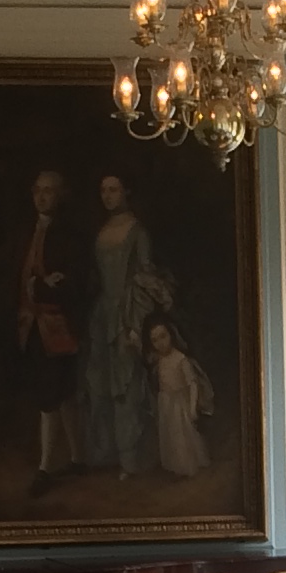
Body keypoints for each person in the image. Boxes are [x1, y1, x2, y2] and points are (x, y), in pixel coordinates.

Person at [85, 170, 170, 476]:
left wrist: (137, 324)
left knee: (127, 384)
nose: (108, 196)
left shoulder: (137, 231)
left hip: (129, 312)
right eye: (104, 190)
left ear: (126, 192)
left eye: (114, 190)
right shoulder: (103, 229)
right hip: (103, 314)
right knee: (100, 383)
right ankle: (106, 453)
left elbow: (145, 277)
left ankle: (131, 458)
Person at [14, 168, 85, 495]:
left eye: (49, 191)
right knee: (59, 392)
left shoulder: (70, 236)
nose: (42, 197)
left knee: (56, 394)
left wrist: (41, 287)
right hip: (30, 325)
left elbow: (76, 284)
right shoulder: (24, 232)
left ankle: (45, 468)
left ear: (60, 195)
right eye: (37, 190)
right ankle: (77, 458)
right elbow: (7, 270)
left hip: (60, 326)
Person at [146, 314, 215, 479]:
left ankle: (185, 467)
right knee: (169, 436)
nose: (160, 343)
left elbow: (193, 384)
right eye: (155, 340)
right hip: (165, 403)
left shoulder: (181, 359)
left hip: (180, 404)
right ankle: (173, 466)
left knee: (182, 437)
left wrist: (192, 407)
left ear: (171, 334)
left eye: (163, 336)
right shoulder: (158, 360)